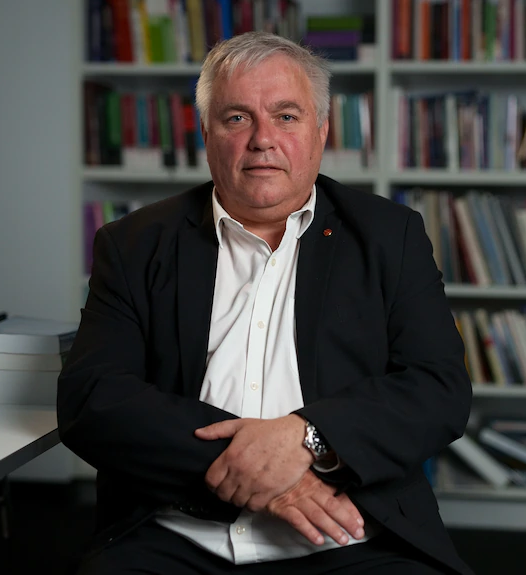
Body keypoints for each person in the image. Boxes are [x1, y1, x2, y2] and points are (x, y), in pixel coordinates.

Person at [58, 31, 473, 575]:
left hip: (349, 534)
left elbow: (438, 389)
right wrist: (264, 475)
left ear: (321, 131)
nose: (262, 139)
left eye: (286, 116)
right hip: (178, 534)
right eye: (236, 118)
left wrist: (306, 436)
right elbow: (94, 399)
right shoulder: (135, 243)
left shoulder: (389, 236)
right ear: (206, 133)